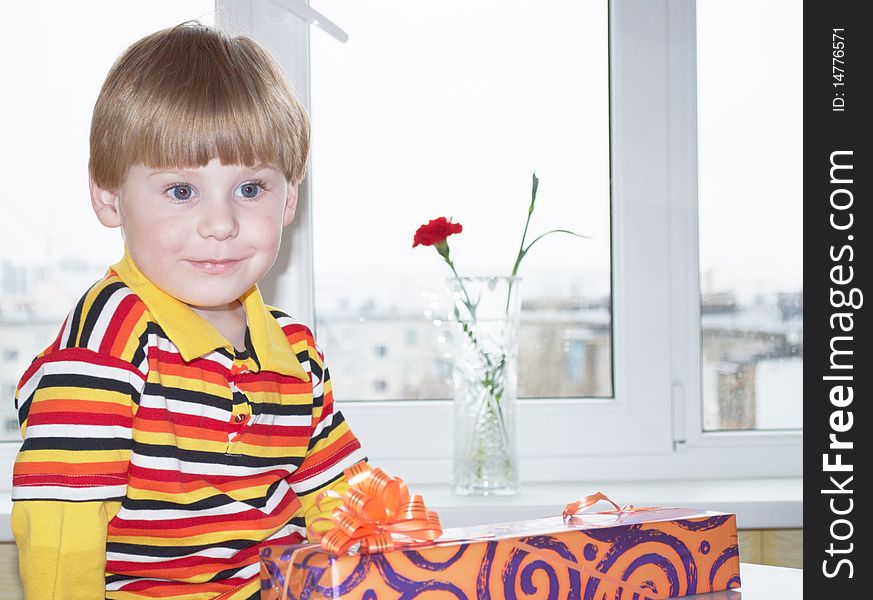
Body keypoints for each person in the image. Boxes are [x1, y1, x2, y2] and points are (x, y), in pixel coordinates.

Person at [11, 22, 366, 599]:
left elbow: (343, 502)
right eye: (181, 191)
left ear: (290, 198)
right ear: (108, 196)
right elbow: (61, 529)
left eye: (250, 189)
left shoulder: (296, 354)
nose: (221, 223)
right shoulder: (107, 344)